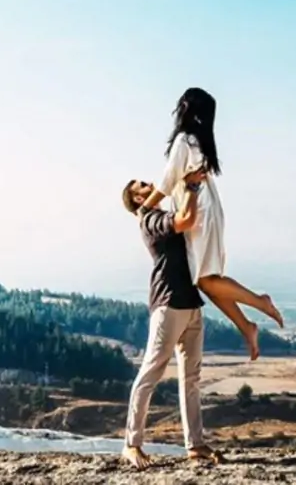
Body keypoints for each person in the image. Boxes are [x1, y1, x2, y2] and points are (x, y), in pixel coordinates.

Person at [136, 86, 283, 361]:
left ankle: (259, 303)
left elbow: (167, 183)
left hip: (201, 212)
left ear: (185, 109)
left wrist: (144, 208)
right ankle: (246, 325)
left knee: (207, 280)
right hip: (209, 210)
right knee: (209, 280)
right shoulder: (198, 142)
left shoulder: (184, 141)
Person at [119, 169, 224, 471]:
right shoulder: (149, 219)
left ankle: (195, 445)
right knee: (151, 372)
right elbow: (186, 221)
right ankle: (131, 443)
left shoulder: (161, 213)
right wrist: (190, 185)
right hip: (168, 305)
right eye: (141, 184)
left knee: (191, 377)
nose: (148, 183)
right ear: (138, 198)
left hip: (190, 303)